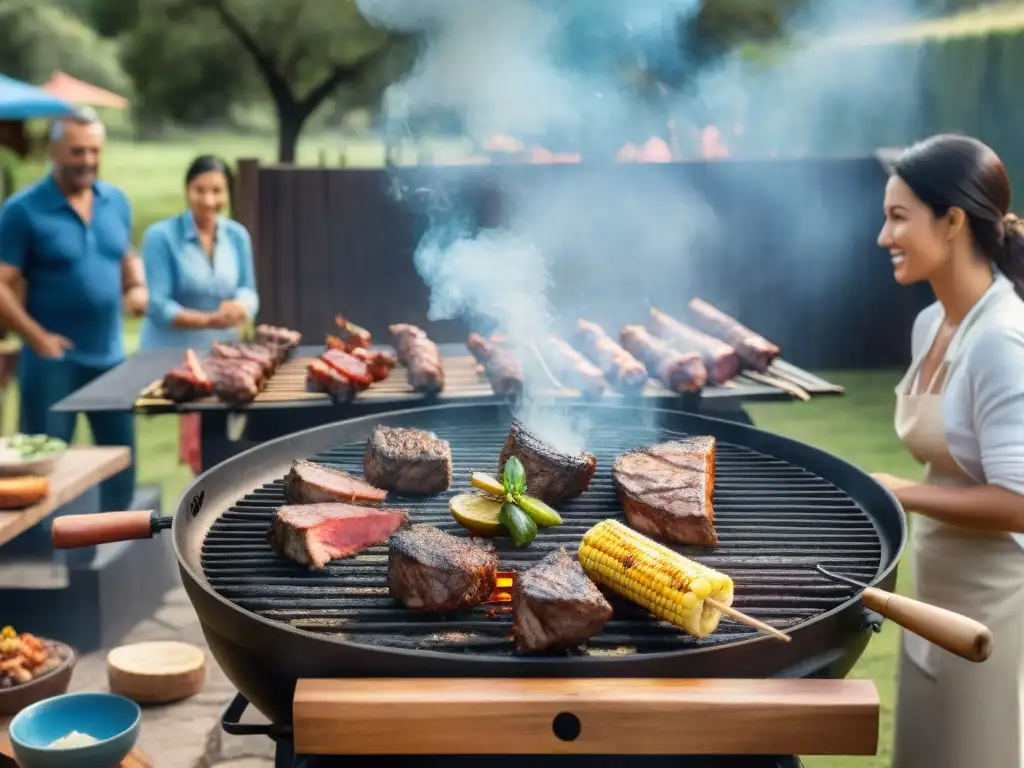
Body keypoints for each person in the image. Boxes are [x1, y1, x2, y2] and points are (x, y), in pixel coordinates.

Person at [874, 133, 1024, 768]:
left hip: (995, 606)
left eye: (899, 217)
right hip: (933, 596)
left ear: (953, 220)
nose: (884, 237)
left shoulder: (1001, 340)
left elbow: (1020, 502)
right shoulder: (931, 324)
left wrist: (900, 492)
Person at [0, 108, 145, 515]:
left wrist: (135, 285)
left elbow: (124, 254)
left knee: (121, 465)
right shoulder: (23, 210)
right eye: (77, 151)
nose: (88, 160)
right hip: (52, 363)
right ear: (55, 151)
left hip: (112, 360)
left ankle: (116, 545)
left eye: (94, 151)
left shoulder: (116, 201)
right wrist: (38, 339)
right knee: (45, 468)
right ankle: (47, 558)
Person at [138, 155, 258, 472]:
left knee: (218, 446)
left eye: (217, 191)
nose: (208, 199)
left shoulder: (237, 235)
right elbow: (160, 307)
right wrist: (211, 320)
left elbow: (249, 290)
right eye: (199, 190)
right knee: (204, 448)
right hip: (172, 358)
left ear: (227, 193)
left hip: (221, 358)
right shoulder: (160, 237)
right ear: (187, 190)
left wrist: (242, 307)